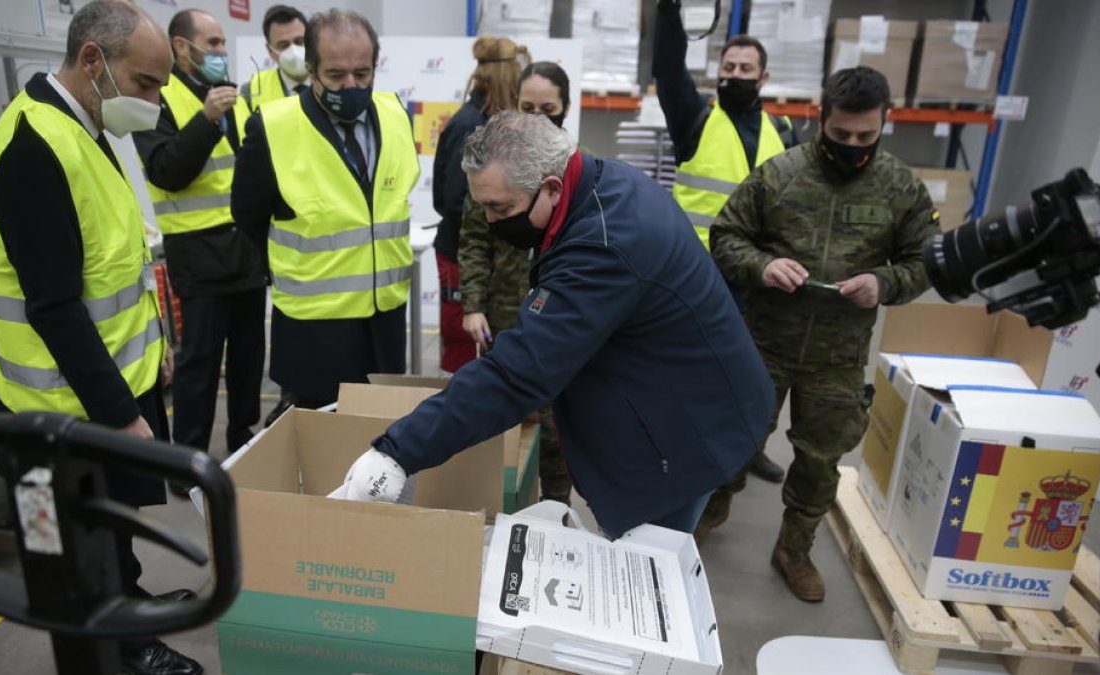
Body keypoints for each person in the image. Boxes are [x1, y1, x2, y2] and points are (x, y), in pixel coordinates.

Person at [331, 111, 776, 540]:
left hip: (683, 439)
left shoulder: (604, 247)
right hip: (684, 399)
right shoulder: (600, 184)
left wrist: (397, 451)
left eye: (499, 207)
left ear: (550, 187)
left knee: (645, 566)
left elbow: (518, 373)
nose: (489, 221)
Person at [0, 1, 202, 673]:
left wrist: (153, 354)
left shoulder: (84, 125)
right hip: (63, 408)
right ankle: (125, 647)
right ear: (93, 61)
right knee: (82, 545)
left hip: (107, 382)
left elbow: (111, 263)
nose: (156, 103)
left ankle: (126, 600)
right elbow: (55, 307)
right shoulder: (33, 148)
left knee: (112, 533)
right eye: (146, 83)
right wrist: (121, 414)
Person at [706, 66, 940, 602]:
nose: (853, 146)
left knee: (820, 456)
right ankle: (713, 506)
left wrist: (883, 282)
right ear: (821, 120)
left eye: (866, 136)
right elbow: (726, 235)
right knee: (737, 436)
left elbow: (925, 261)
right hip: (765, 339)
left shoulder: (900, 186)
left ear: (886, 121)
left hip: (839, 351)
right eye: (841, 136)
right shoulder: (779, 174)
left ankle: (794, 548)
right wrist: (762, 266)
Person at [231, 8, 419, 411]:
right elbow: (248, 215)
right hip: (314, 333)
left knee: (381, 441)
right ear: (311, 70)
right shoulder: (274, 126)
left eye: (362, 74)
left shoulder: (396, 114)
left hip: (384, 322)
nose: (350, 85)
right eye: (336, 75)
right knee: (321, 455)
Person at [654, 0, 800, 484]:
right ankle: (681, 453)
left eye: (745, 68)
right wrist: (670, 10)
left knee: (753, 373)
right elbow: (667, 68)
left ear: (763, 77)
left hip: (760, 276)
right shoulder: (695, 119)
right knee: (693, 371)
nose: (734, 74)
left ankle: (747, 451)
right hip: (699, 272)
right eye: (728, 67)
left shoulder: (785, 132)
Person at [133, 8, 267, 481]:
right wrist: (207, 120)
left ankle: (243, 441)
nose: (220, 52)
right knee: (200, 364)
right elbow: (167, 170)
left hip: (246, 250)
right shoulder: (158, 99)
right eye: (211, 43)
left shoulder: (231, 94)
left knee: (250, 356)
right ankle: (184, 460)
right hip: (199, 256)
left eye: (221, 43)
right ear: (180, 47)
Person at [458, 61, 573, 504]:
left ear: (566, 106)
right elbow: (473, 238)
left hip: (559, 323)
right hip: (505, 316)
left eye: (550, 108)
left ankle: (559, 509)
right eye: (529, 107)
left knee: (559, 431)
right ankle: (511, 506)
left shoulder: (576, 170)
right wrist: (472, 305)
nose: (540, 117)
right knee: (508, 417)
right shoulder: (494, 166)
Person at [432, 36, 528, 373]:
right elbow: (455, 202)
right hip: (464, 251)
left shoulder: (489, 122)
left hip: (481, 254)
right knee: (464, 344)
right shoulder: (471, 127)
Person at [243, 4, 309, 112]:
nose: (294, 51)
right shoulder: (251, 92)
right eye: (284, 45)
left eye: (299, 42)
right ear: (270, 50)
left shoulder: (334, 81)